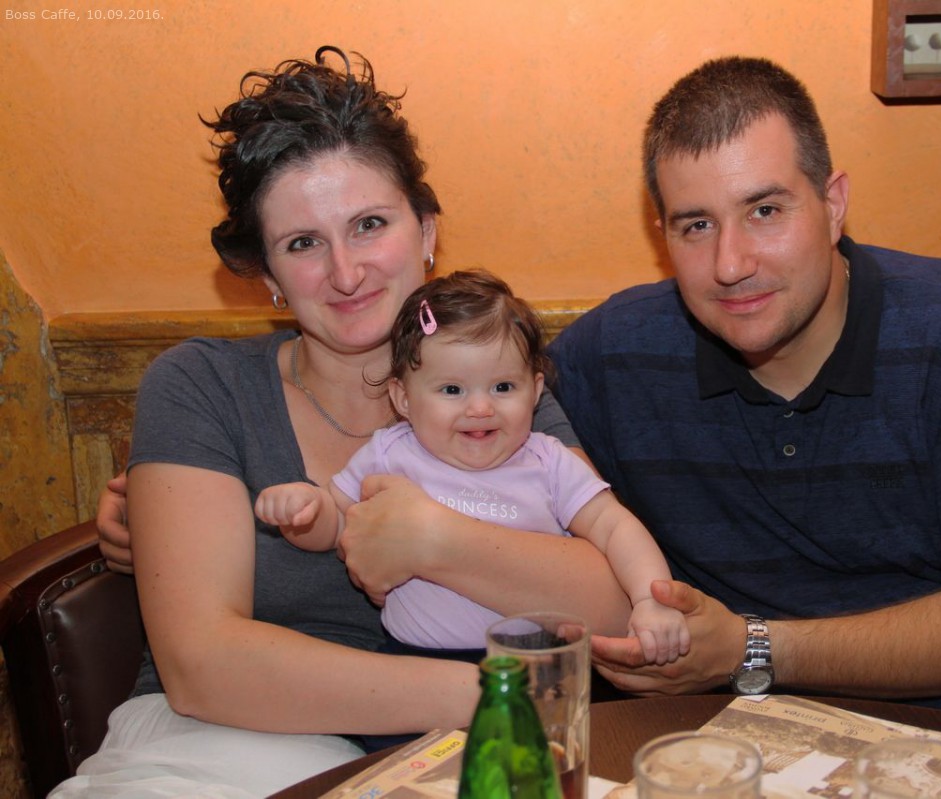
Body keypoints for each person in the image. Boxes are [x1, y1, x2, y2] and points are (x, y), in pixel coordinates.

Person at [55, 47, 631, 798]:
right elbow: (202, 667)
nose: (346, 273)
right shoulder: (204, 386)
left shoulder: (490, 388)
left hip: (451, 754)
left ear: (427, 232)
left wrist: (433, 538)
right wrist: (482, 696)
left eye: (369, 225)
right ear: (267, 274)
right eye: (302, 244)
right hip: (223, 746)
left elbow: (610, 608)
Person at [547, 56, 941, 715]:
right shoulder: (613, 354)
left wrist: (749, 649)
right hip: (727, 739)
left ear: (833, 206)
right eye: (697, 225)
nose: (730, 264)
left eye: (765, 210)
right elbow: (473, 439)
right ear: (663, 235)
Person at [255, 268, 689, 670]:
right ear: (403, 398)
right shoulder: (390, 454)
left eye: (503, 386)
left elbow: (615, 527)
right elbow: (338, 528)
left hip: (539, 662)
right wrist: (306, 510)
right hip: (416, 663)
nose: (480, 408)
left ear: (535, 390)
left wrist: (649, 599)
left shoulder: (549, 461)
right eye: (452, 390)